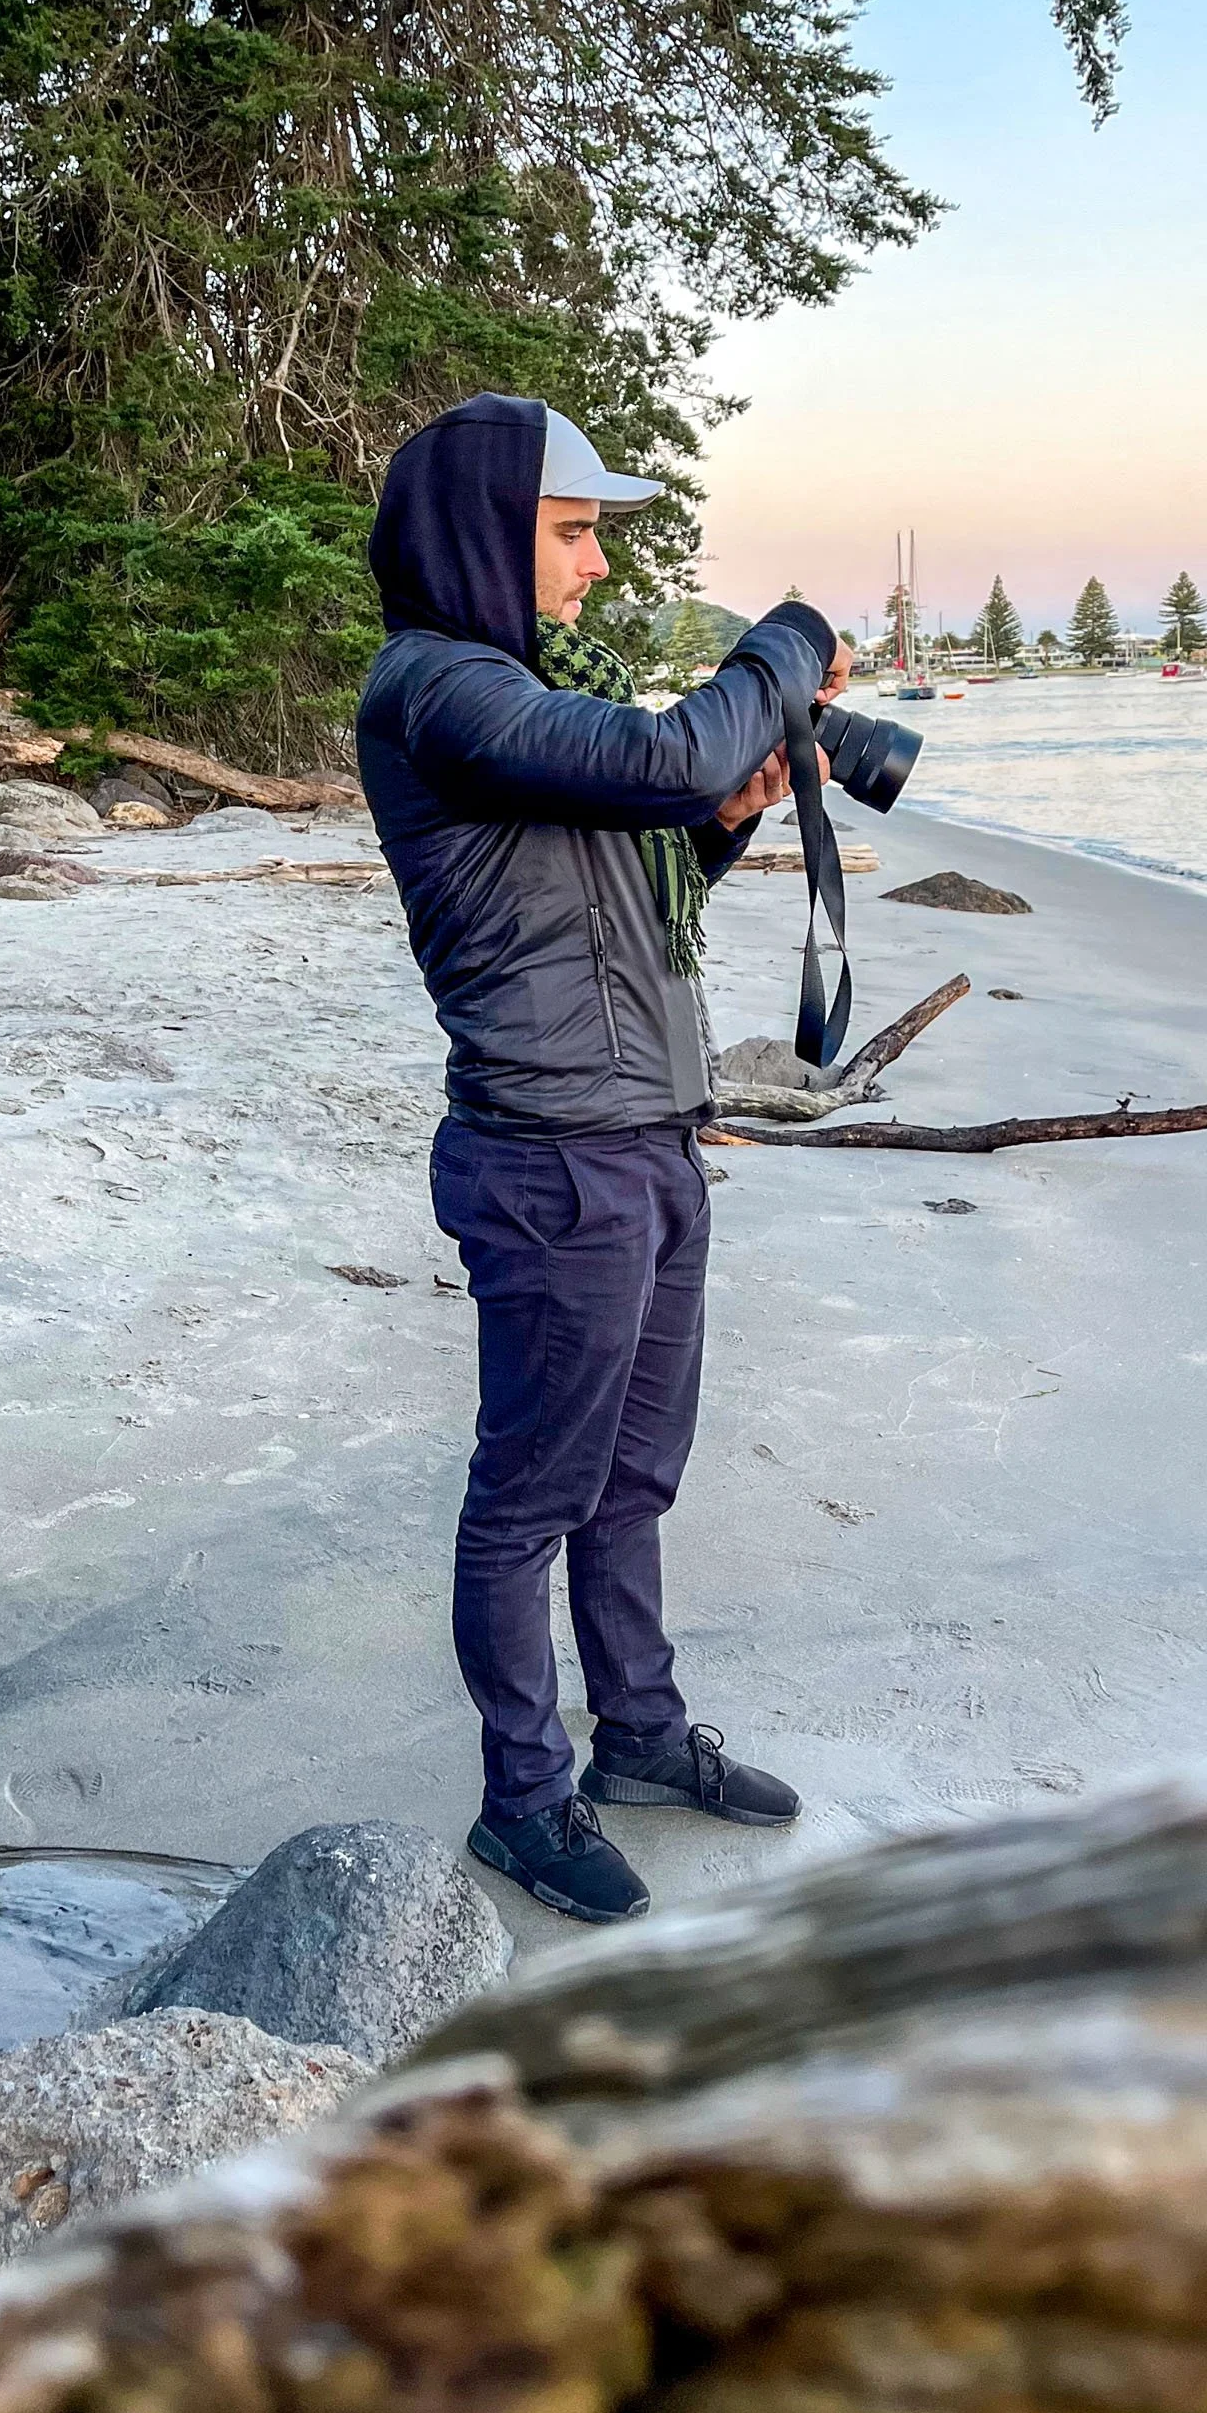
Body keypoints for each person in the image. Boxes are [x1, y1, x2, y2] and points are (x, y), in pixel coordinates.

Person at [358, 392, 849, 1923]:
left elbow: (624, 880)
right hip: (549, 1158)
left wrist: (726, 823)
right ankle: (523, 1798)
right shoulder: (437, 688)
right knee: (530, 1493)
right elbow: (658, 756)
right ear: (481, 537)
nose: (591, 568)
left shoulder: (516, 699)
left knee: (633, 1476)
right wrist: (787, 644)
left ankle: (635, 1733)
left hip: (648, 1139)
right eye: (569, 533)